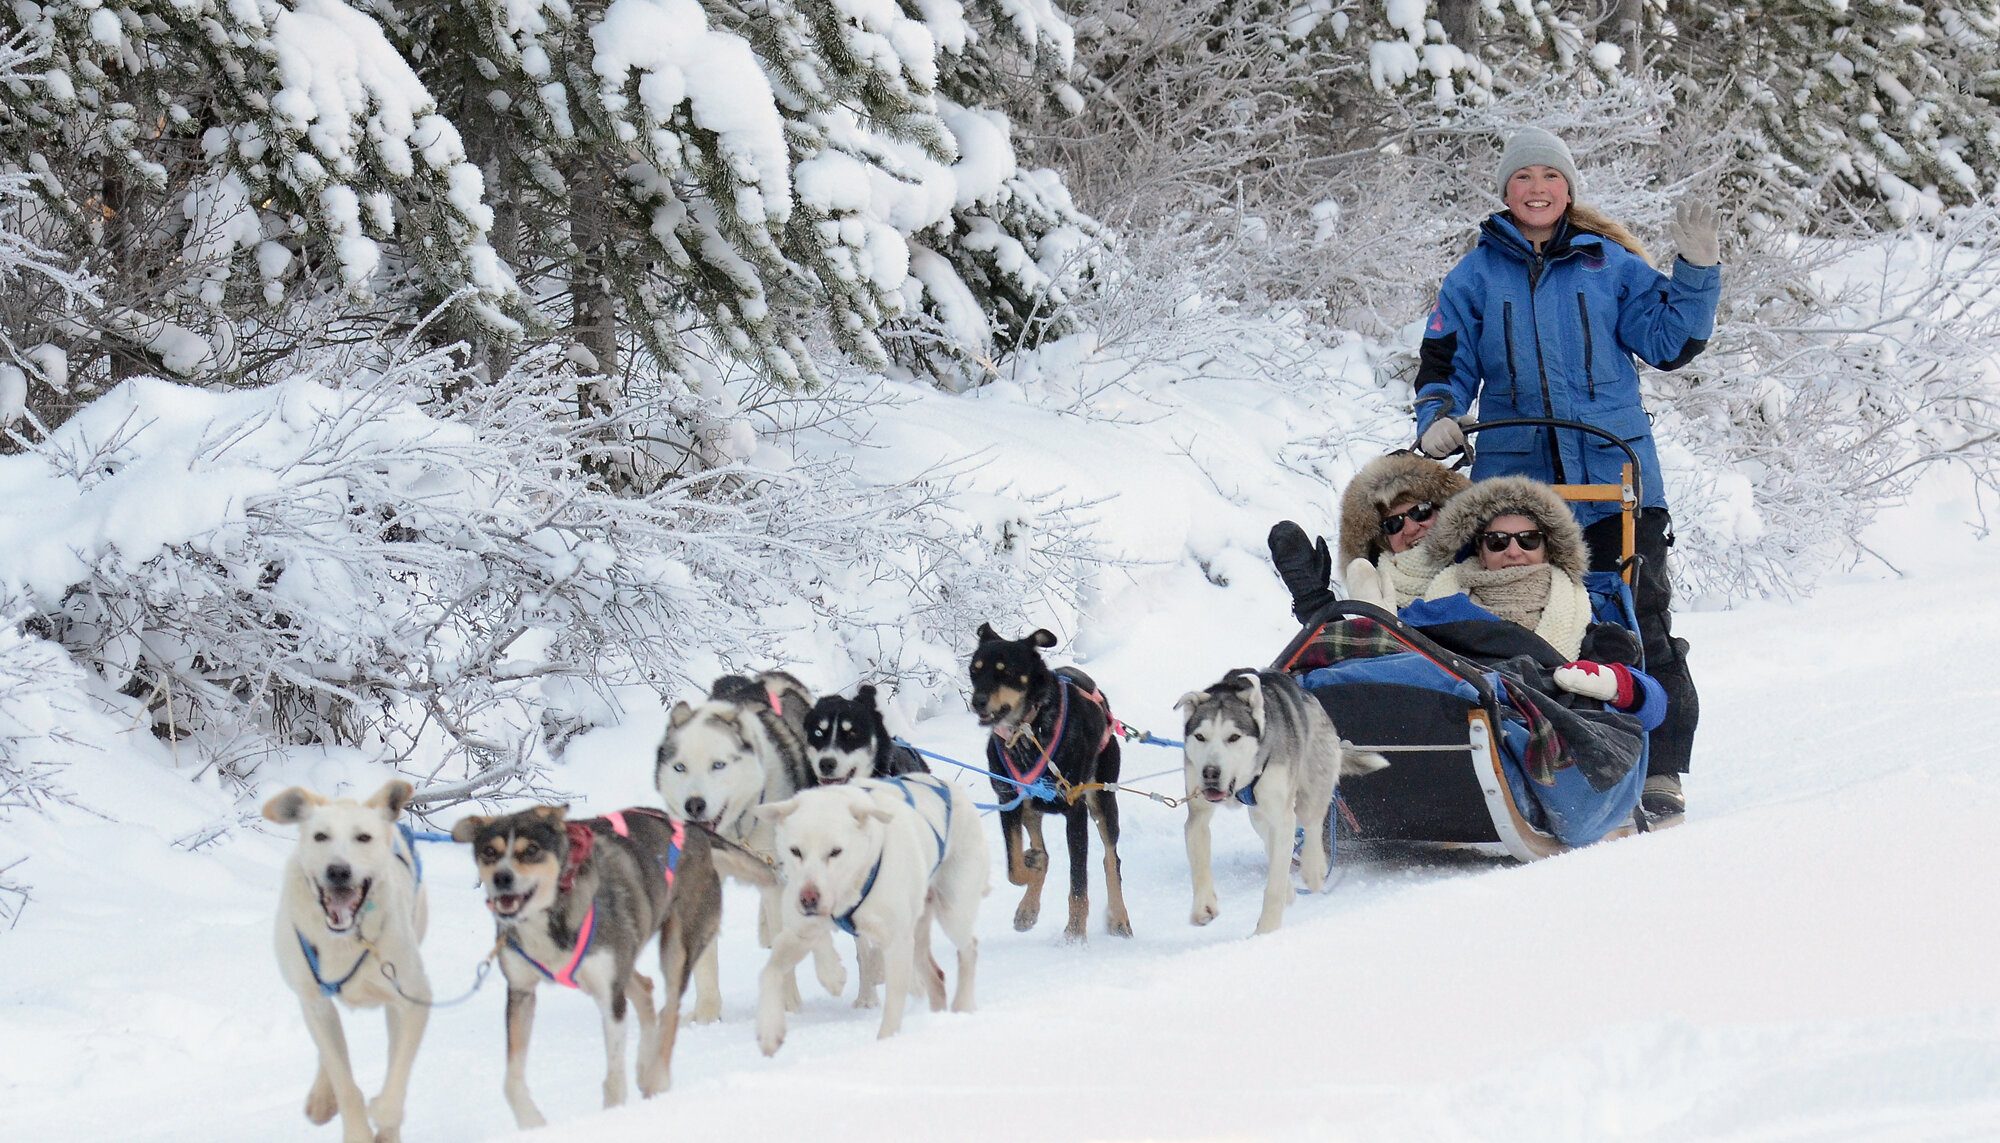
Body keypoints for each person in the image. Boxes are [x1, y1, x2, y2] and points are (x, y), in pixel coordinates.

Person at [1408, 125, 1717, 822]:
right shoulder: (1475, 275)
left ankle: (1658, 764)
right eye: (1523, 178)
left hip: (1615, 483)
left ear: (1568, 189)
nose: (1537, 188)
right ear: (1506, 192)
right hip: (1520, 492)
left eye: (1549, 176)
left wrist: (1697, 273)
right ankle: (1524, 751)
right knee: (1516, 619)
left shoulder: (1610, 265)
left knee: (1637, 621)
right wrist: (1439, 414)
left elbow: (1671, 342)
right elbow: (1443, 362)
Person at [1335, 452, 1470, 609]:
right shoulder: (1374, 597)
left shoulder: (1491, 561)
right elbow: (1357, 633)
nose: (1411, 529)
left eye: (1420, 512)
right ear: (1383, 540)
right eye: (1393, 524)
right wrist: (1314, 601)